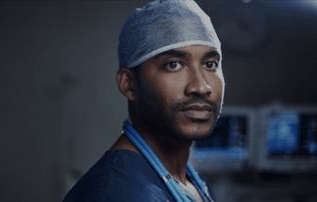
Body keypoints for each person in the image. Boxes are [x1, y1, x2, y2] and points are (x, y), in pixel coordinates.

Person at [64, 0, 223, 201]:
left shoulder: (195, 183)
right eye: (174, 64)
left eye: (210, 64)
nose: (201, 87)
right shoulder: (117, 193)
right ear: (129, 84)